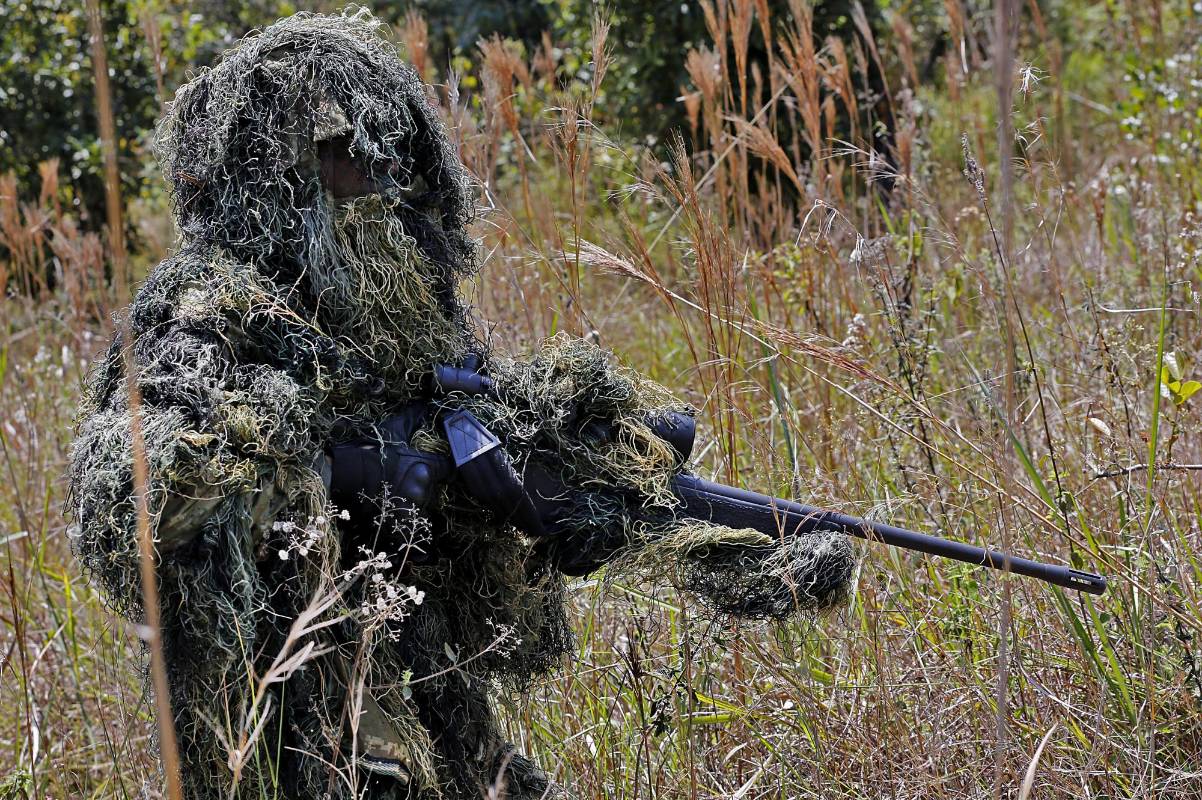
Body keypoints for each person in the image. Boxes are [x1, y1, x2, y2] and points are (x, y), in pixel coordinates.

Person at [69, 10, 853, 799]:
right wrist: (364, 465)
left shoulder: (394, 327)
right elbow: (142, 498)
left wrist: (676, 528)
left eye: (390, 148)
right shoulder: (206, 315)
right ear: (269, 174)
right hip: (287, 731)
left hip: (430, 699)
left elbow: (496, 461)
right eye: (340, 149)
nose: (377, 172)